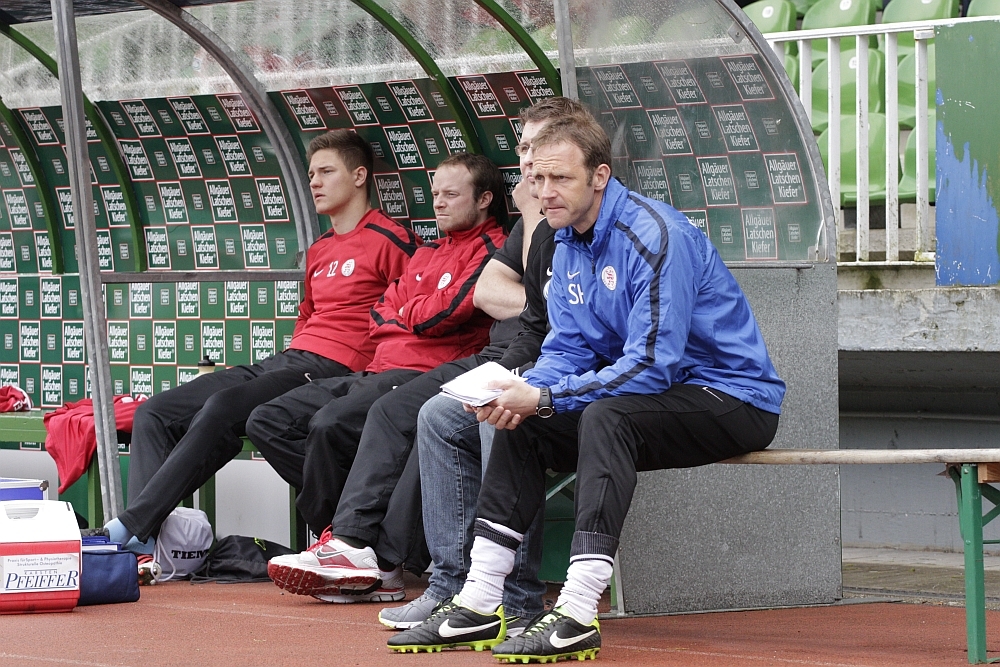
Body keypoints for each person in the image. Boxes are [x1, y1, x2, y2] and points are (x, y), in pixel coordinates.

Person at [387, 115, 786, 662]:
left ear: (600, 176)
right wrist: (522, 391)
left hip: (732, 395)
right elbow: (567, 348)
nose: (544, 192)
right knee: (525, 422)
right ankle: (479, 601)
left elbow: (651, 364)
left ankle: (576, 613)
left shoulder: (654, 234)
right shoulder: (566, 239)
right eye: (538, 178)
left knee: (605, 416)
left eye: (561, 179)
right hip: (656, 395)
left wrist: (548, 397)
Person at [285, 98, 590, 625]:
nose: (527, 163)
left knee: (469, 420)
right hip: (500, 353)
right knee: (415, 415)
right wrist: (534, 291)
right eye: (524, 150)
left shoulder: (569, 216)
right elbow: (491, 293)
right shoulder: (521, 222)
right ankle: (404, 567)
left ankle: (446, 580)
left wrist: (534, 238)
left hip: (552, 365)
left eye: (539, 151)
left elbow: (552, 308)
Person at [91, 130, 418, 554]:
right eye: (311, 174)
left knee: (222, 408)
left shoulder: (391, 239)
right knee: (154, 413)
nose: (315, 182)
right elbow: (307, 314)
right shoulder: (320, 249)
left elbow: (412, 312)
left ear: (359, 176)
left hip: (334, 369)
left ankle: (130, 530)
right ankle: (145, 540)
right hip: (290, 359)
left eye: (326, 172)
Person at [246, 152, 508, 600]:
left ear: (484, 199)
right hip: (376, 368)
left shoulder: (493, 249)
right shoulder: (426, 252)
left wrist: (411, 312)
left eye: (451, 194)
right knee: (267, 419)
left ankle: (354, 547)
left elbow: (445, 313)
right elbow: (380, 312)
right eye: (435, 194)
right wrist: (410, 313)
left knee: (330, 423)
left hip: (427, 372)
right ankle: (346, 543)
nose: (438, 203)